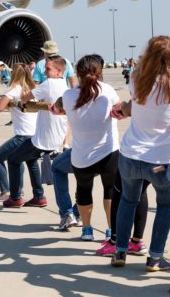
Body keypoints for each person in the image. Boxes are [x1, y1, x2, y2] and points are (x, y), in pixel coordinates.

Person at [111, 36, 170, 271]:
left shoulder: (136, 76)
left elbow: (135, 103)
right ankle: (154, 258)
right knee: (165, 205)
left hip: (132, 154)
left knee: (128, 200)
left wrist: (125, 109)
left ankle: (120, 252)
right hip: (162, 158)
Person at [56, 54, 119, 242]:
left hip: (81, 156)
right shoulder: (107, 90)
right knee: (110, 190)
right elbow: (119, 108)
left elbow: (60, 106)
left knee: (83, 190)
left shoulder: (68, 96)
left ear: (77, 73)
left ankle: (87, 229)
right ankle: (111, 230)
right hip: (108, 152)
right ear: (99, 72)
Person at [3, 56, 69, 208]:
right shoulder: (64, 85)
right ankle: (38, 196)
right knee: (30, 158)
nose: (45, 71)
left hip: (44, 138)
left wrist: (20, 101)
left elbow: (26, 97)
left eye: (48, 69)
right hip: (56, 136)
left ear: (59, 71)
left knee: (13, 159)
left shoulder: (49, 83)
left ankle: (15, 198)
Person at [0, 64, 37, 201]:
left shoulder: (15, 90)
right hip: (35, 134)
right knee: (19, 159)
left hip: (22, 135)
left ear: (14, 75)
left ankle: (6, 191)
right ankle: (19, 190)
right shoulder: (33, 90)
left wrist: (9, 102)